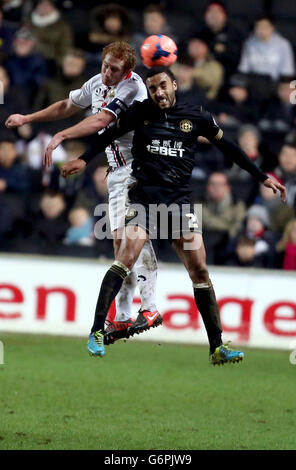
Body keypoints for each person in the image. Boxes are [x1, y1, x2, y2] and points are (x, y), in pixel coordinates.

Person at [61, 67, 286, 363]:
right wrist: (83, 159)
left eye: (163, 86)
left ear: (174, 85)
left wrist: (261, 176)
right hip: (143, 201)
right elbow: (108, 135)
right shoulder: (140, 112)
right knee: (126, 258)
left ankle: (217, 347)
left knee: (200, 270)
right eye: (153, 88)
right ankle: (96, 331)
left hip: (178, 206)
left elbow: (228, 147)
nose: (158, 93)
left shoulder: (197, 117)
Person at [5, 40, 160, 345]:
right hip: (116, 171)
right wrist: (28, 118)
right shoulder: (96, 82)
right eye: (104, 65)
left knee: (132, 240)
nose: (107, 73)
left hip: (140, 168)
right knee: (120, 245)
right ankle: (126, 316)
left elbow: (102, 120)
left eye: (114, 69)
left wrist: (62, 134)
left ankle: (150, 308)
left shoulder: (133, 88)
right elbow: (67, 105)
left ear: (127, 70)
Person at [238, 16, 295, 81]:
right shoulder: (249, 43)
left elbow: (288, 70)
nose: (261, 30)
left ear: (272, 28)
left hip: (275, 82)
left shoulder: (283, 44)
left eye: (264, 27)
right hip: (253, 81)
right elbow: (244, 67)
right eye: (258, 27)